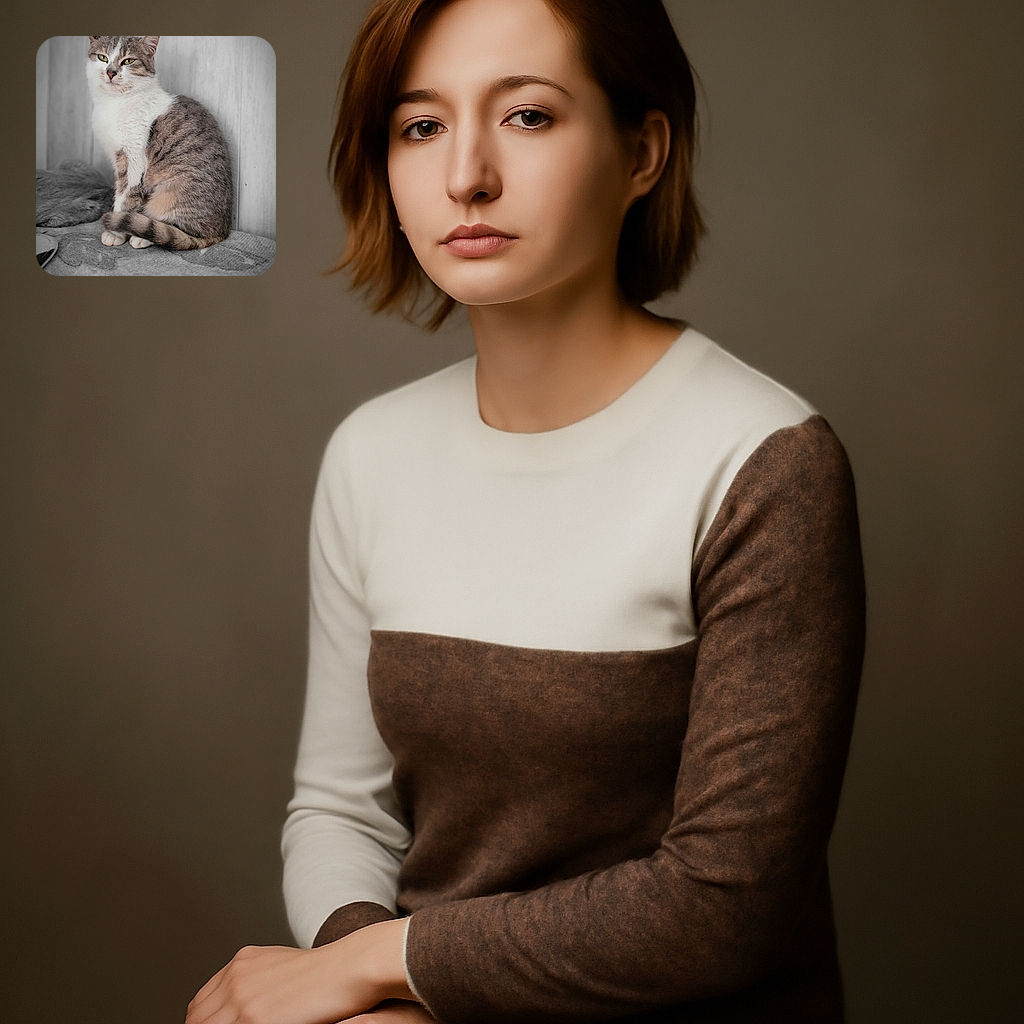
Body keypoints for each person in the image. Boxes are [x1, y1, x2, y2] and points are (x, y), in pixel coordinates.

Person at [185, 0, 865, 1021]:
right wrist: (381, 994)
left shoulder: (765, 461)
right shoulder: (371, 454)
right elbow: (339, 811)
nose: (466, 175)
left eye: (528, 115)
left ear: (642, 152)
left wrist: (379, 968)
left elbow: (723, 906)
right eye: (421, 125)